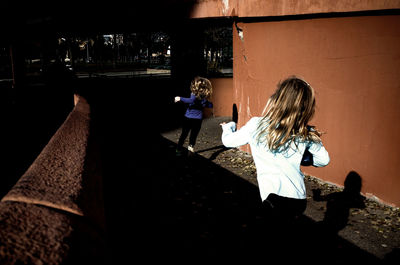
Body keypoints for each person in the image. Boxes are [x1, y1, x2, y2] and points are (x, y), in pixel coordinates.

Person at [220, 76, 330, 222]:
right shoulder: (305, 132)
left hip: (273, 200)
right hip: (298, 199)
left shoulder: (257, 125)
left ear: (277, 99)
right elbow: (323, 160)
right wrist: (304, 156)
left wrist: (229, 127)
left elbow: (228, 141)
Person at [175, 76, 213, 156]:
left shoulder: (194, 94)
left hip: (188, 118)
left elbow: (191, 100)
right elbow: (209, 105)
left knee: (184, 134)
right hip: (198, 119)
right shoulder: (204, 95)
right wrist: (207, 103)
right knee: (193, 135)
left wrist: (180, 98)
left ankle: (178, 149)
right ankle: (190, 147)